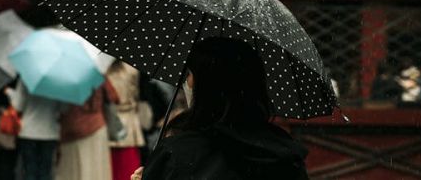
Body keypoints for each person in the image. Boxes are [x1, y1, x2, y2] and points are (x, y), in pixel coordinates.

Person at [135, 37, 309, 180]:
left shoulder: (178, 154)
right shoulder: (284, 153)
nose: (185, 82)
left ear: (205, 86)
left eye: (188, 74)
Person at [56, 80, 120, 180]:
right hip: (96, 127)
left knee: (72, 173)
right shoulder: (95, 73)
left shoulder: (59, 78)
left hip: (70, 131)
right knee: (97, 172)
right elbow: (113, 97)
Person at [8, 81, 65, 180]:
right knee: (45, 171)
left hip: (28, 132)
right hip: (49, 132)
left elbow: (17, 106)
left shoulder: (26, 78)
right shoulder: (59, 81)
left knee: (29, 171)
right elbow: (64, 109)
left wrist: (10, 93)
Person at [107, 62, 145, 180]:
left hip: (109, 122)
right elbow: (136, 95)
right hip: (129, 123)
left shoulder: (102, 68)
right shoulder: (132, 69)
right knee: (129, 171)